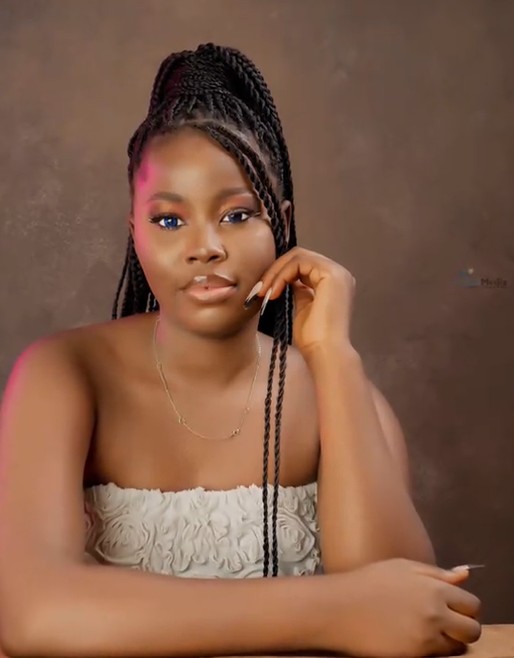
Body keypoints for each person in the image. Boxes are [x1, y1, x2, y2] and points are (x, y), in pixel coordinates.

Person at [0, 43, 481, 657]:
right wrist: (330, 612)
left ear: (280, 222)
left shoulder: (341, 394)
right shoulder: (62, 375)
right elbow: (30, 613)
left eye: (236, 215)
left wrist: (333, 354)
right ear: (134, 233)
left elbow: (405, 615)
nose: (205, 247)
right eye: (169, 221)